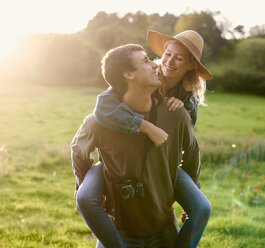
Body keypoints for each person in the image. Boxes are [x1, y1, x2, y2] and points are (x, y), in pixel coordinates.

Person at [78, 30, 213, 248]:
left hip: (164, 161)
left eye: (179, 58)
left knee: (202, 207)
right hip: (121, 156)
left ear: (190, 66)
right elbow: (103, 107)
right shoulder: (144, 73)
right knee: (86, 196)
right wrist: (144, 125)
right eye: (168, 54)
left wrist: (191, 189)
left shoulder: (187, 102)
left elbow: (188, 146)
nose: (169, 62)